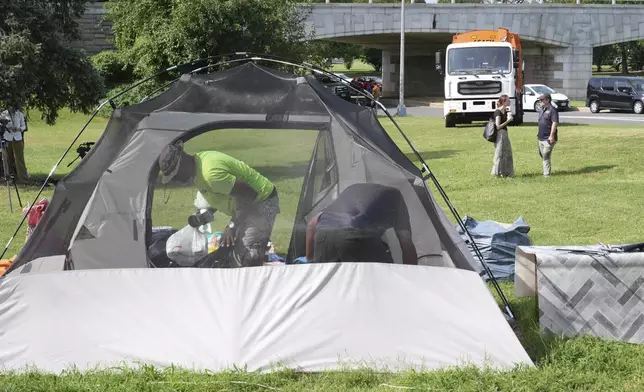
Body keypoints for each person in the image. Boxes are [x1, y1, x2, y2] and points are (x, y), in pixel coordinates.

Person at [158, 142, 280, 267]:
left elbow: (249, 194)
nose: (176, 180)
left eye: (175, 174)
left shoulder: (210, 174)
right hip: (245, 207)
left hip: (261, 202)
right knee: (228, 253)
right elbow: (218, 193)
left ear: (183, 162)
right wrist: (206, 213)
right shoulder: (198, 167)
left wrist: (232, 226)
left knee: (247, 258)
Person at [304, 183, 418, 265]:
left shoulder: (352, 189)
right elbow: (406, 245)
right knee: (383, 283)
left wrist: (309, 260)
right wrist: (411, 278)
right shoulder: (396, 197)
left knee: (331, 287)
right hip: (357, 237)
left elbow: (311, 224)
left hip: (323, 234)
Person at [1, 106, 30, 185]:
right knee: (7, 159)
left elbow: (24, 126)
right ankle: (9, 179)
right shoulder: (3, 114)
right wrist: (7, 128)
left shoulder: (20, 113)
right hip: (7, 138)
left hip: (17, 138)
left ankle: (24, 180)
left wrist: (19, 129)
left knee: (19, 159)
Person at [491, 95, 515, 178]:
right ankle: (496, 173)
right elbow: (497, 126)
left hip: (505, 134)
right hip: (499, 135)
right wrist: (508, 121)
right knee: (499, 154)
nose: (509, 102)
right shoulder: (498, 112)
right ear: (504, 102)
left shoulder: (505, 111)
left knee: (507, 153)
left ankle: (506, 173)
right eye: (508, 100)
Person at [536, 93, 559, 177]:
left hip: (548, 138)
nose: (540, 101)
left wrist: (551, 136)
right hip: (540, 137)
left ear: (547, 100)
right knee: (542, 155)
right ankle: (546, 170)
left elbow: (554, 123)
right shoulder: (541, 109)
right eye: (540, 100)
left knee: (546, 155)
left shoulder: (552, 110)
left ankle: (546, 175)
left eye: (542, 100)